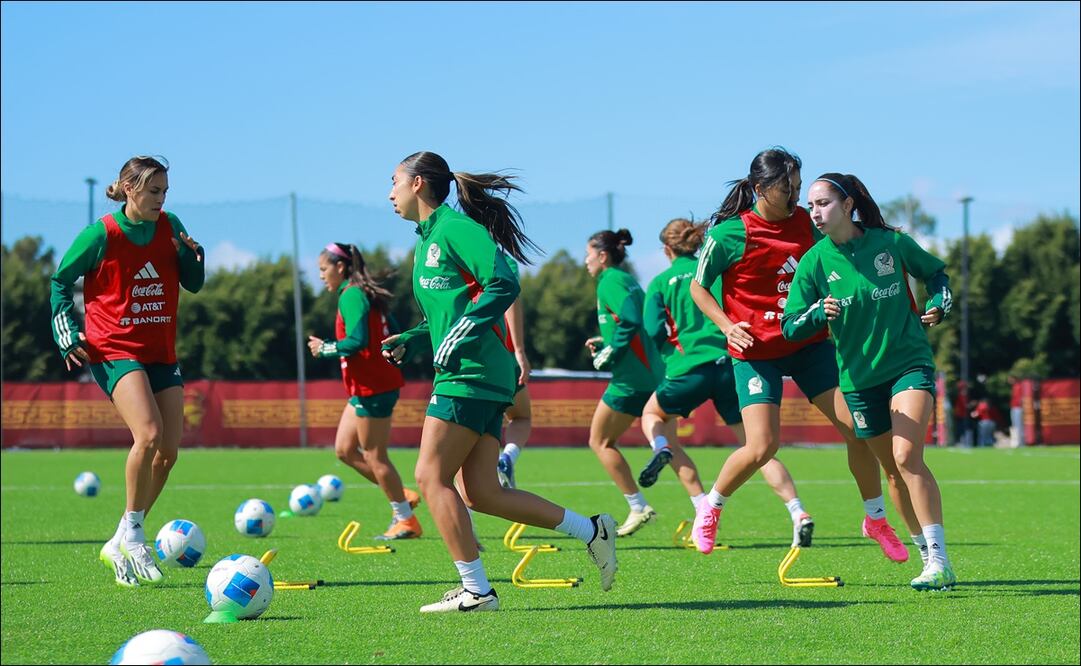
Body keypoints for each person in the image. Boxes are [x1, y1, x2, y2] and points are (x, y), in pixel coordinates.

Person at [382, 151, 616, 613]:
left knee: (430, 477)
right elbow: (450, 314)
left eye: (394, 181)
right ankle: (592, 530)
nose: (390, 193)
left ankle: (477, 590)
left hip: (470, 375)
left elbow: (504, 281)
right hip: (481, 376)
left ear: (418, 184)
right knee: (481, 493)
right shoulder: (427, 240)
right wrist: (411, 337)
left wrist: (463, 332)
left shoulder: (454, 228)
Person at [690, 148, 921, 562]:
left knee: (858, 430)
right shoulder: (728, 235)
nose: (797, 196)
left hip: (808, 343)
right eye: (788, 188)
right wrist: (727, 326)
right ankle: (711, 506)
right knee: (763, 446)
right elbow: (699, 287)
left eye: (798, 186)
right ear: (760, 188)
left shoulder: (808, 223)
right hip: (756, 351)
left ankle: (875, 520)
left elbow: (847, 253)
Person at [781, 172, 957, 591]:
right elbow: (790, 325)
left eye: (823, 203)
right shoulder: (814, 261)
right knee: (893, 472)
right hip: (858, 381)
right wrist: (817, 313)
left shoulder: (891, 243)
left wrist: (938, 303)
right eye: (810, 205)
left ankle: (941, 560)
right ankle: (926, 558)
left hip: (908, 364)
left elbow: (936, 275)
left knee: (906, 456)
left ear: (848, 205)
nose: (815, 212)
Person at [50, 156, 204, 587]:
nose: (161, 199)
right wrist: (67, 332)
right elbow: (60, 281)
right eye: (154, 191)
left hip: (161, 352)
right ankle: (135, 536)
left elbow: (193, 283)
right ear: (130, 189)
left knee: (168, 453)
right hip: (114, 350)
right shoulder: (101, 234)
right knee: (149, 434)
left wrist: (193, 256)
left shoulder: (170, 225)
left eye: (165, 192)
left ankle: (120, 538)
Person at [640, 218, 815, 548]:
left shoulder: (661, 282)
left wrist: (670, 350)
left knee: (652, 416)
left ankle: (674, 468)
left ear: (666, 250)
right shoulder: (715, 273)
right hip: (730, 365)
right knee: (758, 448)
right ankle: (797, 511)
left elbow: (652, 329)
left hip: (688, 368)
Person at [307, 243, 421, 539]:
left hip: (374, 386)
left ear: (340, 267)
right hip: (368, 385)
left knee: (375, 456)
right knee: (345, 450)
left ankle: (405, 520)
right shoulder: (363, 293)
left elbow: (357, 341)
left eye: (323, 269)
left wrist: (324, 348)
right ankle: (400, 494)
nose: (321, 275)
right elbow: (392, 329)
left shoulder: (352, 294)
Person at [584, 228, 667, 537]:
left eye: (588, 255)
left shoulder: (609, 281)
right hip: (650, 373)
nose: (585, 261)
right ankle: (703, 507)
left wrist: (611, 351)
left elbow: (631, 319)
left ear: (602, 256)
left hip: (631, 379)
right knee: (670, 446)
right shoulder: (626, 279)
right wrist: (605, 342)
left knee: (600, 441)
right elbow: (629, 322)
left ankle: (638, 506)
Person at [496, 253, 533, 490]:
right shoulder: (500, 259)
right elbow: (510, 299)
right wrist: (519, 350)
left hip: (460, 358)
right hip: (502, 356)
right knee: (521, 417)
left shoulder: (451, 254)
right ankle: (506, 457)